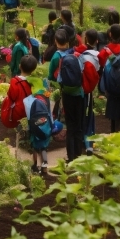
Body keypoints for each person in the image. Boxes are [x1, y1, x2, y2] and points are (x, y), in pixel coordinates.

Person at [48, 28, 85, 161]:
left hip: (66, 94)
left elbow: (50, 75)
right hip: (79, 94)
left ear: (56, 41)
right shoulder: (76, 53)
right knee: (79, 126)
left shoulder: (56, 56)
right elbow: (83, 70)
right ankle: (79, 155)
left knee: (70, 125)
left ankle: (71, 157)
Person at [75, 29, 100, 155]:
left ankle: (84, 143)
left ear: (85, 40)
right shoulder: (98, 55)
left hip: (82, 90)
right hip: (91, 90)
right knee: (89, 116)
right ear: (97, 41)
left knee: (82, 116)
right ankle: (89, 143)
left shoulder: (82, 56)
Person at [1, 54, 37, 129]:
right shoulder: (35, 81)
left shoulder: (15, 81)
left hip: (19, 110)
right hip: (31, 109)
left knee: (20, 129)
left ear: (20, 66)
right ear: (34, 69)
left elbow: (12, 96)